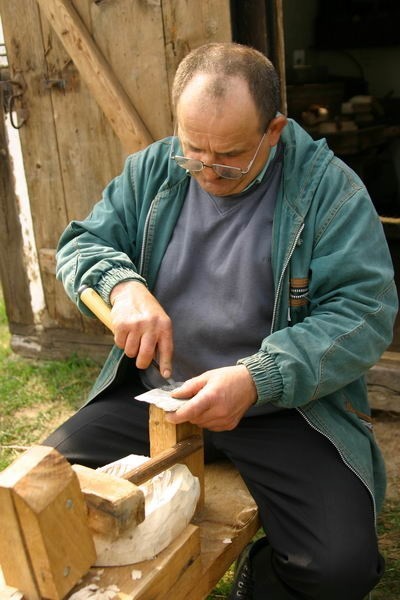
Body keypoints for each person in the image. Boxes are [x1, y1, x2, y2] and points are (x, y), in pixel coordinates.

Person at [45, 42, 398, 599]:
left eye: (230, 156)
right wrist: (123, 285)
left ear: (274, 130)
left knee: (339, 568)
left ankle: (262, 580)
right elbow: (82, 244)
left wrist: (260, 378)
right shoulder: (155, 170)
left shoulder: (330, 192)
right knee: (42, 492)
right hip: (158, 396)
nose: (208, 170)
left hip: (283, 408)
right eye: (194, 150)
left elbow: (364, 314)